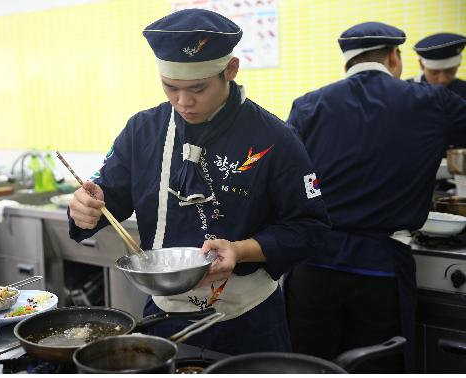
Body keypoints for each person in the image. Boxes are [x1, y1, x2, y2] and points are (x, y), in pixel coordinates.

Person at [69, 9, 330, 355]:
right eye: (170, 87)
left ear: (231, 71)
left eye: (197, 88)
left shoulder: (275, 138)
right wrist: (85, 208)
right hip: (164, 313)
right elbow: (107, 199)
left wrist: (241, 250)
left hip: (248, 319)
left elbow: (309, 228)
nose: (183, 101)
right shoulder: (142, 131)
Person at [285, 22, 466, 373]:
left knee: (307, 367)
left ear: (347, 64)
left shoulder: (308, 105)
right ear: (395, 57)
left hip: (313, 267)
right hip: (378, 269)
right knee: (375, 367)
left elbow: (293, 177)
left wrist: (316, 193)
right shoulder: (433, 102)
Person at [409, 33, 466, 98]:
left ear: (458, 64)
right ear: (421, 65)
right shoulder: (409, 92)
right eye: (435, 72)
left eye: (449, 71)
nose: (442, 79)